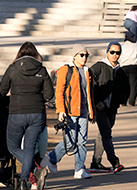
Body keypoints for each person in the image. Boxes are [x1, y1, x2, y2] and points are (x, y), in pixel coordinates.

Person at [0, 41, 55, 190]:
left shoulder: (13, 68)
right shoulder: (41, 70)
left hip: (17, 112)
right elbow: (49, 95)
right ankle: (24, 180)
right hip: (37, 114)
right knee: (29, 148)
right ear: (36, 54)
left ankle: (34, 172)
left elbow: (2, 91)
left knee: (13, 146)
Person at [40, 44, 95, 180]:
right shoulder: (66, 69)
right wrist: (61, 110)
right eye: (81, 55)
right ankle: (52, 158)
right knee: (70, 142)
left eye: (86, 55)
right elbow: (59, 91)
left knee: (82, 141)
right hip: (70, 111)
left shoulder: (88, 71)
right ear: (75, 56)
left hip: (83, 111)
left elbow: (89, 93)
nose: (84, 58)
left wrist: (92, 112)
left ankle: (79, 169)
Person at [89, 41, 130, 173]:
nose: (114, 55)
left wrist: (121, 100)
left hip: (112, 108)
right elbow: (90, 85)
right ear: (107, 52)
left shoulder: (121, 71)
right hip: (100, 107)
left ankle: (95, 163)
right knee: (106, 133)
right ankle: (114, 161)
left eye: (117, 53)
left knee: (102, 134)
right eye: (112, 52)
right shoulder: (98, 67)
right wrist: (96, 102)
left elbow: (126, 88)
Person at [120, 34, 137, 106]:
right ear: (132, 38)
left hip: (124, 66)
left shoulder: (122, 46)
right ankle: (131, 101)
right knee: (133, 85)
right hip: (133, 65)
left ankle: (123, 101)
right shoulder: (136, 45)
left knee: (124, 85)